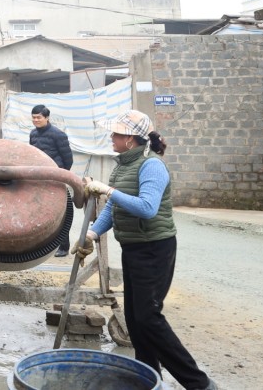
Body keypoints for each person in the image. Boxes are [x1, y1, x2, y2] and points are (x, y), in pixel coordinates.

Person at [75, 110, 217, 390]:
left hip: (155, 248)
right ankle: (148, 378)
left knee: (149, 318)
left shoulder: (152, 166)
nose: (111, 138)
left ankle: (199, 384)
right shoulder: (122, 166)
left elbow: (147, 208)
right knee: (135, 320)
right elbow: (114, 209)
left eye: (115, 133)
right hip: (133, 248)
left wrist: (108, 191)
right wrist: (92, 233)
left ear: (130, 139)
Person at [29, 105, 74, 257]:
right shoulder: (33, 134)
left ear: (47, 118)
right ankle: (42, 244)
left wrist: (61, 175)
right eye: (33, 117)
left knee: (60, 213)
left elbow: (68, 159)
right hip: (38, 179)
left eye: (39, 117)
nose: (36, 120)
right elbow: (32, 155)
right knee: (37, 212)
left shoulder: (58, 135)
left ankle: (64, 247)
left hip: (55, 179)